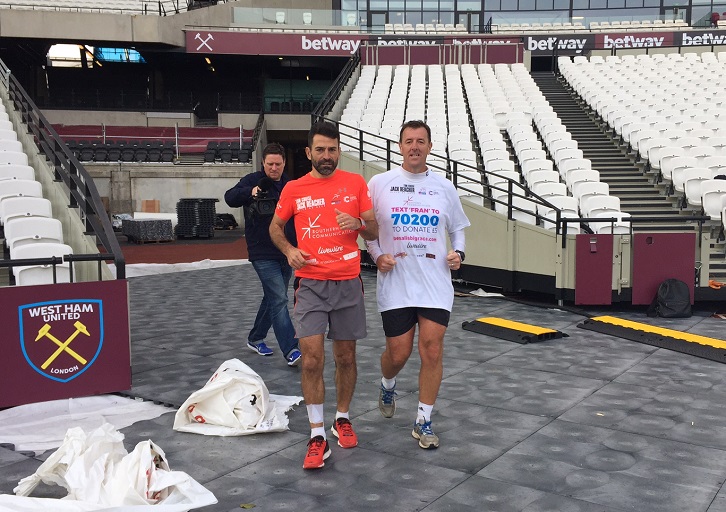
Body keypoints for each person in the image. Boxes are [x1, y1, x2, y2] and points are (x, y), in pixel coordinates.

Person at [269, 120, 378, 469]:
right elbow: (275, 227)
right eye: (320, 150)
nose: (326, 156)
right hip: (311, 284)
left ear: (339, 151)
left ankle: (341, 417)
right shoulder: (294, 189)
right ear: (308, 153)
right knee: (312, 358)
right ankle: (317, 434)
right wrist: (288, 249)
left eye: (332, 149)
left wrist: (359, 224)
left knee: (346, 357)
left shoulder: (356, 183)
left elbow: (374, 228)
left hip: (348, 282)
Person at [365, 120, 470, 450]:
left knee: (432, 349)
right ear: (399, 146)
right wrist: (377, 255)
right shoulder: (380, 183)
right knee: (399, 353)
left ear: (429, 146)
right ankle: (387, 382)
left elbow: (459, 229)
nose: (414, 146)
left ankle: (423, 420)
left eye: (420, 141)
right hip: (396, 283)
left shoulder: (444, 187)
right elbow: (367, 229)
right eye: (408, 141)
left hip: (435, 283)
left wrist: (459, 253)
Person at [224, 142, 302, 367]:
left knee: (272, 297)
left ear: (284, 163)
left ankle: (255, 337)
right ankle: (291, 349)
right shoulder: (253, 180)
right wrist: (251, 192)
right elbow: (230, 197)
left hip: (286, 250)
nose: (274, 168)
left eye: (278, 164)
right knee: (279, 298)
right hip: (261, 251)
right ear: (263, 163)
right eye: (270, 164)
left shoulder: (291, 185)